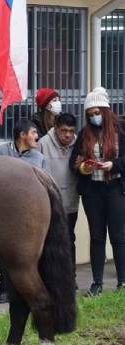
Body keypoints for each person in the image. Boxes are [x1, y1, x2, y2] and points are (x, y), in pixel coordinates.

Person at [70, 87, 125, 296]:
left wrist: (114, 165)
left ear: (105, 110)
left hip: (115, 188)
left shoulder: (121, 130)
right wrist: (84, 167)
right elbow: (73, 163)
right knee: (97, 236)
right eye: (90, 113)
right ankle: (97, 282)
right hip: (93, 191)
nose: (95, 117)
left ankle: (122, 282)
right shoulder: (84, 134)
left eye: (97, 112)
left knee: (119, 236)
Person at [0, 119, 46, 303]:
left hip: (26, 215)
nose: (36, 137)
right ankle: (5, 289)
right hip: (1, 213)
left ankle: (25, 289)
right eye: (33, 133)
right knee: (1, 253)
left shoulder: (39, 158)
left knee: (25, 255)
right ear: (22, 135)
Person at [38, 113, 79, 268]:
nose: (68, 135)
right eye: (64, 130)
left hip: (70, 202)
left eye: (71, 131)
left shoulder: (78, 143)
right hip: (49, 204)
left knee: (69, 239)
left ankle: (71, 275)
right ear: (55, 128)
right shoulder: (43, 143)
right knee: (50, 241)